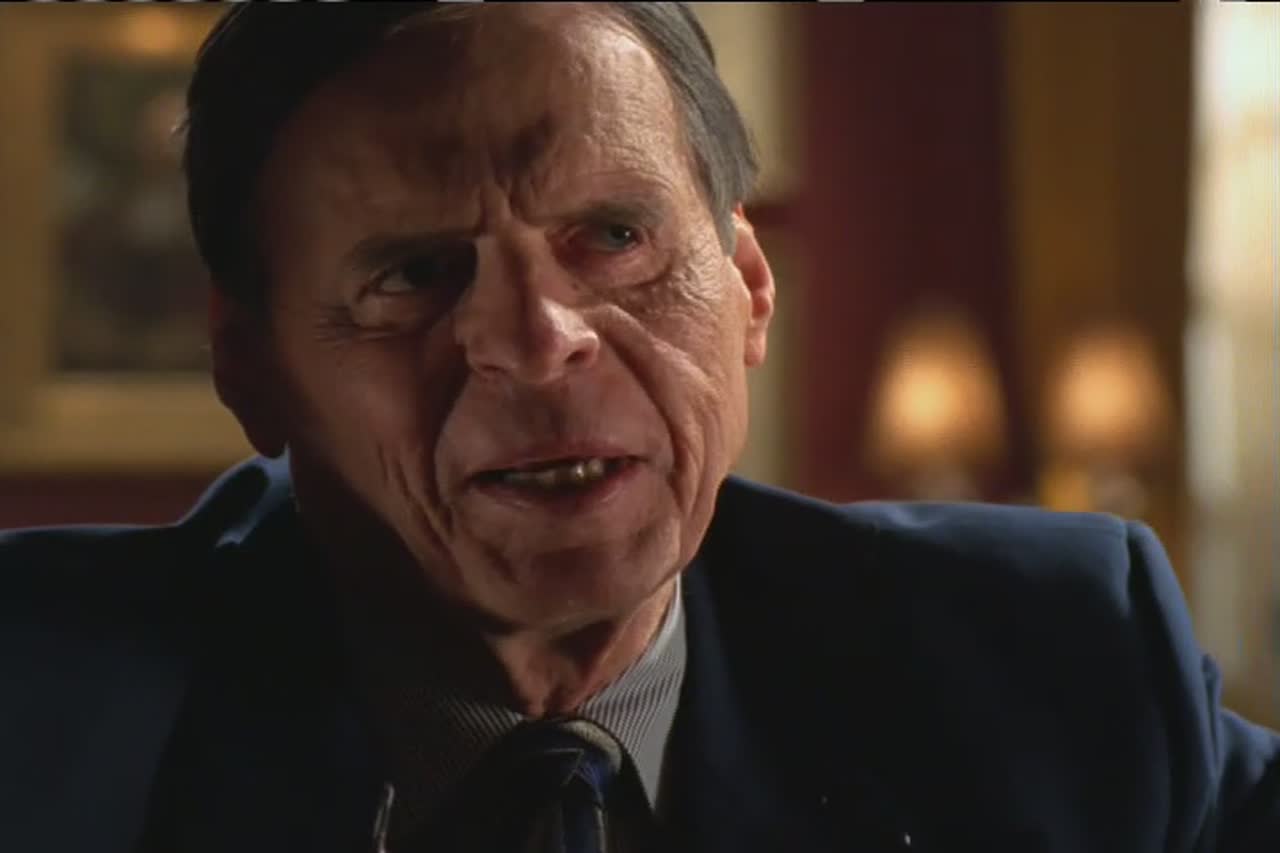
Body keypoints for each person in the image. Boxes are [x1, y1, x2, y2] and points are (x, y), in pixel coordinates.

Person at [1, 4, 1276, 852]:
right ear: (248, 362)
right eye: (412, 274)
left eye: (613, 236)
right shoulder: (45, 711)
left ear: (748, 286)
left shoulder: (1045, 662)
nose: (536, 337)